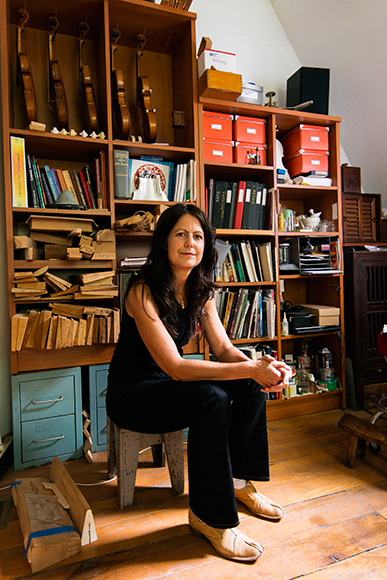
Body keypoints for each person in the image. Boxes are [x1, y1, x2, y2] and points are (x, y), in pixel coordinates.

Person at [107, 203, 291, 563]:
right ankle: (209, 517)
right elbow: (176, 367)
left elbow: (222, 348)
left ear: (206, 245)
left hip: (166, 386)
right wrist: (250, 369)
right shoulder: (141, 292)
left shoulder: (199, 290)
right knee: (213, 397)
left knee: (249, 384)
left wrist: (259, 366)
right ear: (163, 242)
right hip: (133, 395)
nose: (190, 243)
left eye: (198, 236)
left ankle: (238, 484)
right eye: (180, 234)